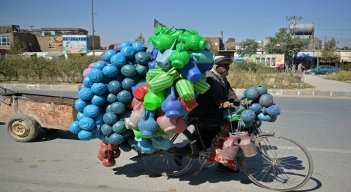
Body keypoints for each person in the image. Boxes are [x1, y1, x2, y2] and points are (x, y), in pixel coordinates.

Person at [193, 55, 240, 148]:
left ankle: (221, 160)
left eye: (228, 65)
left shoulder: (223, 78)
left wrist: (236, 101)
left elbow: (229, 91)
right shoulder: (209, 77)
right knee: (206, 139)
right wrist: (220, 103)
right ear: (216, 66)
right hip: (206, 112)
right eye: (224, 65)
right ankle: (181, 152)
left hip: (217, 112)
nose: (228, 68)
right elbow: (206, 95)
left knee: (220, 135)